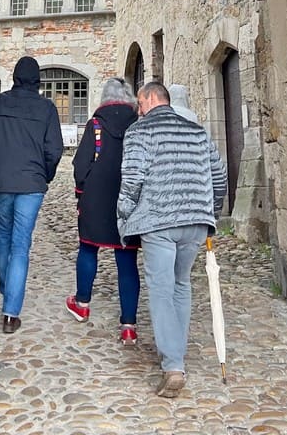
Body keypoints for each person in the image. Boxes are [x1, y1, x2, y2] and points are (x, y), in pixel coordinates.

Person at [117, 81, 227, 398]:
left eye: (140, 103)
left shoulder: (139, 132)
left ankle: (173, 365)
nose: (138, 110)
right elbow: (219, 176)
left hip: (160, 219)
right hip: (195, 220)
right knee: (181, 284)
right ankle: (176, 352)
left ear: (152, 98)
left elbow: (133, 178)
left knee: (162, 289)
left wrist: (123, 215)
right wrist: (210, 210)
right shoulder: (197, 131)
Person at [0, 55, 63, 334]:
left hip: (2, 179)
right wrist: (45, 174)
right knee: (21, 244)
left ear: (14, 78)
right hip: (31, 184)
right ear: (38, 81)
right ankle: (11, 312)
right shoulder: (47, 108)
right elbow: (54, 149)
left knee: (4, 234)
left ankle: (7, 288)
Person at [66, 77, 140, 344]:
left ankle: (82, 303)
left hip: (96, 198)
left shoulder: (95, 125)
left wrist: (80, 193)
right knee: (127, 259)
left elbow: (81, 165)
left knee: (88, 248)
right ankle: (128, 325)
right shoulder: (137, 125)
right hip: (128, 199)